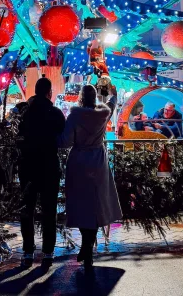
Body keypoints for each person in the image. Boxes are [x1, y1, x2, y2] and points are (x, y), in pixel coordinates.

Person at [58, 85, 122, 269]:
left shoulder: (74, 116)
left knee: (81, 203)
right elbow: (112, 102)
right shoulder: (103, 114)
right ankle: (87, 247)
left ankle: (86, 246)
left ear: (80, 98)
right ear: (95, 98)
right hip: (98, 161)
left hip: (78, 161)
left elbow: (65, 142)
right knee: (95, 203)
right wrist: (113, 92)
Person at [18, 77, 66, 268]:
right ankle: (48, 252)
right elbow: (62, 132)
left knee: (26, 210)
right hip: (48, 166)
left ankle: (28, 251)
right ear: (49, 93)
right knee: (49, 211)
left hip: (27, 165)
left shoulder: (23, 111)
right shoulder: (54, 113)